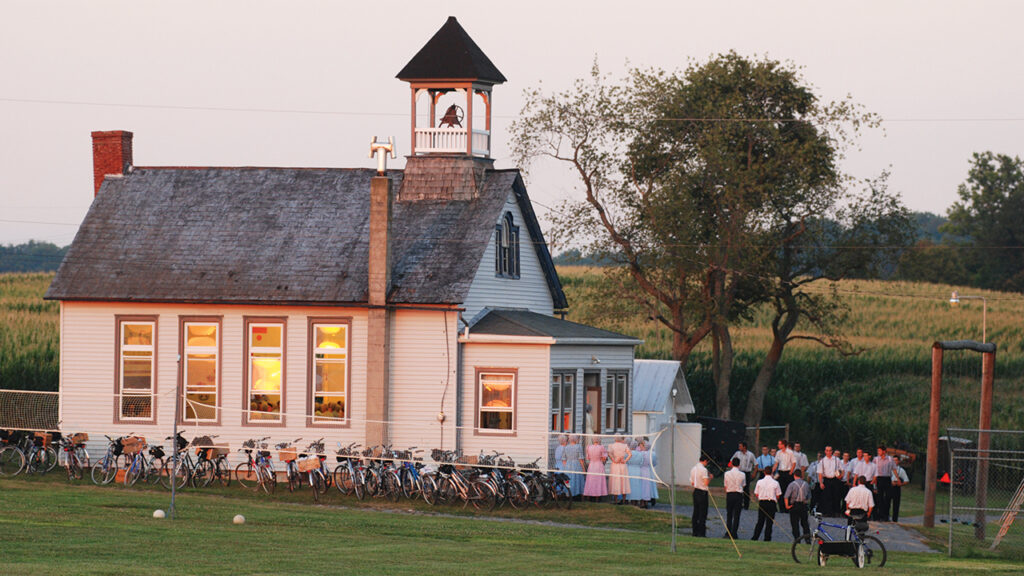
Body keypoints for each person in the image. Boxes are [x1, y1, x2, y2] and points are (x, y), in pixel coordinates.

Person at [752, 469, 782, 542]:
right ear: (771, 473)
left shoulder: (759, 482)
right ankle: (767, 538)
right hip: (771, 502)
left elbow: (756, 493)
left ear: (764, 472)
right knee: (769, 522)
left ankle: (755, 537)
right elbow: (778, 495)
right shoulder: (775, 483)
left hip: (762, 502)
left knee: (760, 521)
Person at [784, 469, 811, 540]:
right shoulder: (806, 484)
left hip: (794, 505)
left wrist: (787, 505)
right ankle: (807, 538)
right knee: (805, 523)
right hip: (803, 505)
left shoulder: (792, 484)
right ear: (801, 476)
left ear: (794, 475)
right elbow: (809, 497)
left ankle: (797, 539)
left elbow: (786, 496)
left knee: (795, 524)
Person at [724, 457, 746, 539]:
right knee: (737, 515)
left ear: (732, 464)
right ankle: (734, 532)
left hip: (730, 494)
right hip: (738, 494)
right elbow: (743, 485)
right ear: (739, 465)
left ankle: (728, 532)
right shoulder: (742, 474)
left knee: (729, 514)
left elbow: (725, 485)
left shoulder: (727, 473)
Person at [689, 454, 711, 537]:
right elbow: (706, 483)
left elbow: (692, 482)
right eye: (707, 462)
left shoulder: (693, 469)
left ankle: (695, 531)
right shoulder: (704, 470)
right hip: (702, 492)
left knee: (696, 512)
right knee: (703, 513)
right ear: (705, 461)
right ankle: (701, 532)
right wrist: (710, 477)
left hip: (696, 491)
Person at [731, 441, 756, 509]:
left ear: (744, 447)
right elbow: (731, 461)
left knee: (746, 489)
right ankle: (739, 503)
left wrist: (754, 473)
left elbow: (756, 464)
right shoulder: (737, 453)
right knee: (739, 488)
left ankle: (746, 505)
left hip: (746, 473)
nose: (739, 447)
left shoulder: (750, 454)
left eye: (740, 446)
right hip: (739, 472)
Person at [607, 436, 632, 504]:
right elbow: (630, 454)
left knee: (616, 481)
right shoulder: (624, 445)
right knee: (624, 481)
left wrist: (614, 460)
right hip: (622, 465)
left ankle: (615, 501)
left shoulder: (611, 445)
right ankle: (624, 500)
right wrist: (625, 460)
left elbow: (609, 453)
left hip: (615, 465)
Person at [873, 445, 895, 521]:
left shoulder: (890, 459)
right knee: (879, 498)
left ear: (884, 451)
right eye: (878, 451)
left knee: (888, 497)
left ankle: (886, 515)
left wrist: (897, 478)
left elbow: (894, 469)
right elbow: (874, 469)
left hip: (887, 478)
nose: (878, 452)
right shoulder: (876, 459)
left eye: (880, 451)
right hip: (879, 478)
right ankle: (880, 515)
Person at [817, 446, 841, 516]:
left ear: (832, 451)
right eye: (827, 450)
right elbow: (820, 473)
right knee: (827, 496)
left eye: (830, 450)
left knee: (835, 496)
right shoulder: (822, 461)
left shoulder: (837, 460)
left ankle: (835, 512)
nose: (828, 452)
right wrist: (821, 483)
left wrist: (840, 475)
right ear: (825, 451)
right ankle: (827, 512)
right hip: (827, 480)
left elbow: (842, 470)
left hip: (835, 480)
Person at [583, 436, 608, 501]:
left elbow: (588, 458)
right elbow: (604, 458)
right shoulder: (601, 447)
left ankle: (589, 497)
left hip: (591, 465)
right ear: (599, 440)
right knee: (598, 480)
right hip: (598, 464)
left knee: (590, 480)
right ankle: (597, 497)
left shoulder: (589, 447)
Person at [773, 439, 796, 505]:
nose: (778, 445)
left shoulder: (790, 452)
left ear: (783, 445)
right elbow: (776, 463)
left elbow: (794, 463)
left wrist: (791, 472)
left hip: (788, 472)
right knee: (781, 490)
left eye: (779, 444)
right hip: (781, 472)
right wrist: (772, 471)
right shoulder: (778, 453)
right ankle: (781, 506)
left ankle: (788, 505)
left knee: (788, 490)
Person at [891, 456, 909, 522]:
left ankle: (895, 519)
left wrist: (901, 484)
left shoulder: (901, 470)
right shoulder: (889, 469)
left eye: (896, 460)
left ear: (898, 461)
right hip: (890, 487)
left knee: (896, 504)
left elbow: (906, 480)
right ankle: (885, 517)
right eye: (893, 460)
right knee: (887, 502)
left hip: (896, 487)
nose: (895, 462)